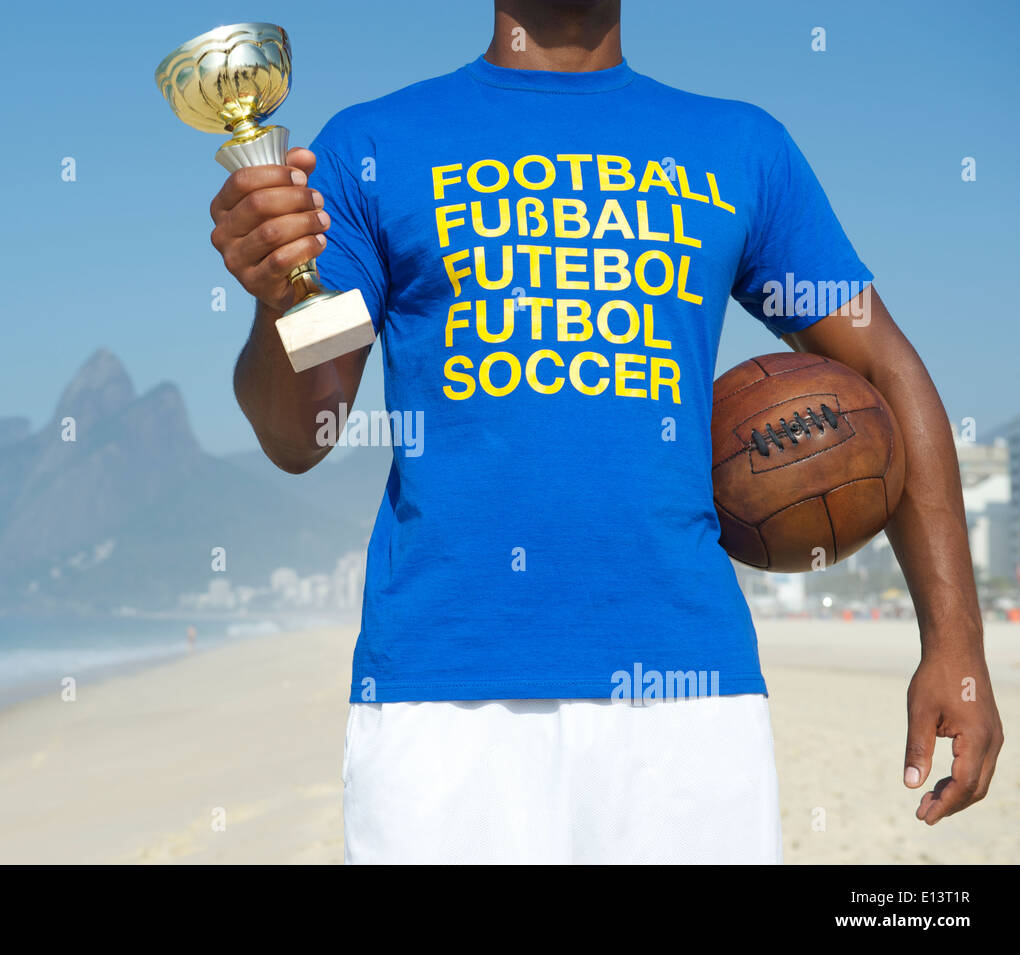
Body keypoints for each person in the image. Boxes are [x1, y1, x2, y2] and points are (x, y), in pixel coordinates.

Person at [208, 0, 1003, 862]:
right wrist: (278, 294)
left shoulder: (738, 147)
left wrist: (955, 642)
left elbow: (887, 370)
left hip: (689, 697)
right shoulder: (372, 147)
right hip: (437, 697)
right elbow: (305, 432)